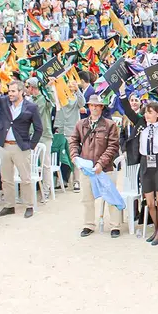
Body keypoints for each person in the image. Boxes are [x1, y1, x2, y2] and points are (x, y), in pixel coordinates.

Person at [120, 84, 158, 246]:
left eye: (150, 112)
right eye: (146, 112)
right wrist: (122, 93)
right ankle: (156, 227)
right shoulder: (141, 123)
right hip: (144, 162)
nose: (147, 115)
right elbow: (128, 111)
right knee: (149, 200)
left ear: (157, 114)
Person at [0, 79, 44, 219]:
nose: (10, 94)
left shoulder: (31, 107)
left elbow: (39, 129)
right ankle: (9, 205)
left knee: (25, 178)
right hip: (4, 145)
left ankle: (29, 205)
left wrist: (31, 146)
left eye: (13, 91)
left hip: (21, 147)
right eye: (9, 91)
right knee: (6, 178)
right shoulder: (4, 102)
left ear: (21, 92)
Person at [68, 95, 120, 238]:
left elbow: (113, 146)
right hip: (86, 168)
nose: (95, 108)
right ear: (89, 106)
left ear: (102, 107)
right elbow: (73, 141)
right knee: (87, 199)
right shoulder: (81, 124)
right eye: (92, 105)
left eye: (97, 105)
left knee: (111, 198)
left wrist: (100, 163)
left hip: (105, 168)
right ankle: (88, 224)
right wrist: (74, 156)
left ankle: (115, 225)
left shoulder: (110, 125)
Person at [53, 78, 85, 192]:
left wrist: (77, 90)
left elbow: (83, 103)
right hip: (60, 130)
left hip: (72, 131)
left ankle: (77, 181)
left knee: (74, 157)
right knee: (59, 156)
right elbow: (52, 97)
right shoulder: (59, 98)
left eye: (70, 86)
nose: (69, 87)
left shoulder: (76, 98)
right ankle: (63, 180)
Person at [25, 77, 54, 201]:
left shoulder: (45, 99)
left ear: (32, 87)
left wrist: (49, 87)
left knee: (45, 164)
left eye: (28, 87)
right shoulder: (29, 100)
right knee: (29, 163)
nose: (26, 89)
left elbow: (53, 101)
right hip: (32, 135)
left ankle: (46, 190)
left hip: (45, 135)